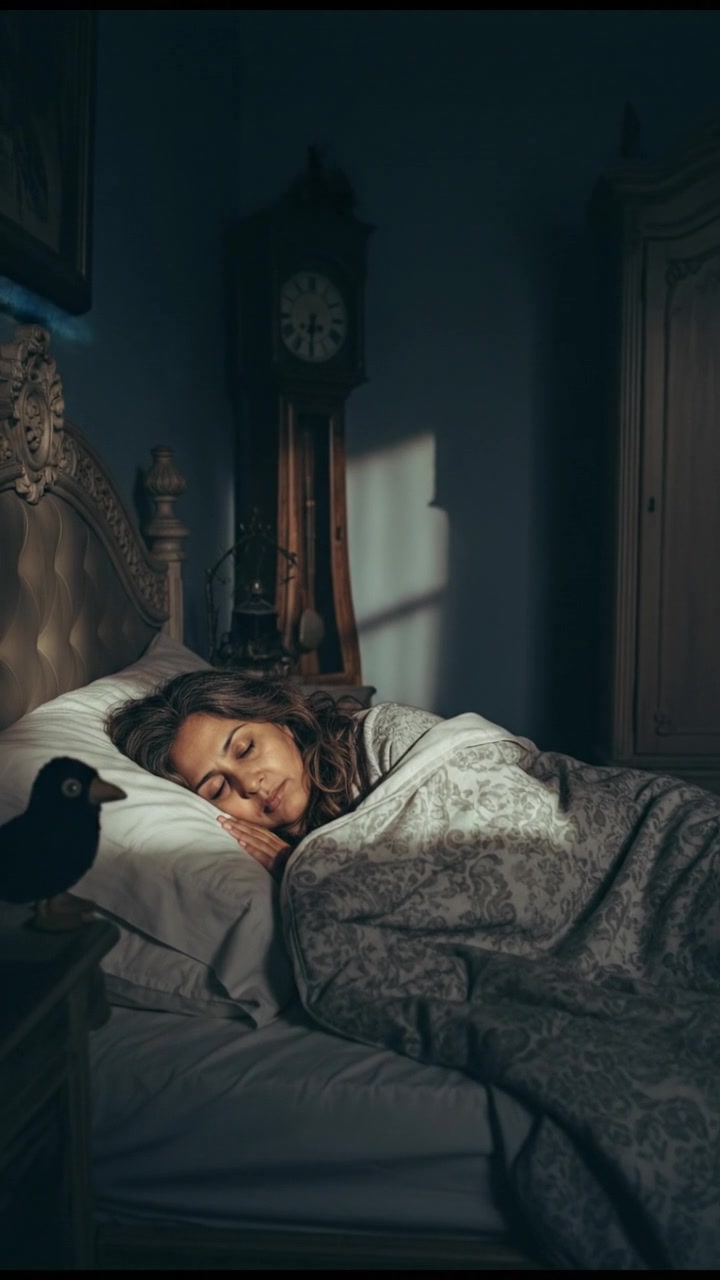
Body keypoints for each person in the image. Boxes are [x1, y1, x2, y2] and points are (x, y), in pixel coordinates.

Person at [105, 669, 375, 879]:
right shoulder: (271, 867)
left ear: (281, 722)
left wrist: (306, 871)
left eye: (245, 749)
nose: (249, 784)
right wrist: (296, 868)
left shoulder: (381, 741)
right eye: (218, 789)